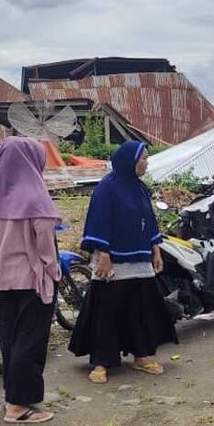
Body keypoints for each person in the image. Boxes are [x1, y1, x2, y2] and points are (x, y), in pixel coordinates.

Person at [69, 141, 177, 384]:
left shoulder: (140, 189)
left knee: (139, 308)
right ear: (130, 161)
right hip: (113, 261)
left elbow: (149, 221)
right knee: (107, 311)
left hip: (139, 259)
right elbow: (99, 221)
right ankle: (101, 362)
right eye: (144, 158)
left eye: (147, 158)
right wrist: (104, 255)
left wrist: (155, 249)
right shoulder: (107, 188)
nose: (147, 163)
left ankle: (141, 355)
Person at [0, 137, 59, 424]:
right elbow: (45, 247)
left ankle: (13, 397)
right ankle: (18, 407)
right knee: (30, 342)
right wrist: (53, 271)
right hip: (32, 280)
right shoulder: (36, 196)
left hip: (6, 277)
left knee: (13, 339)